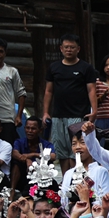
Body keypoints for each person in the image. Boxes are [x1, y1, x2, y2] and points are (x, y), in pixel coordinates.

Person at [43, 34, 98, 172]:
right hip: (58, 115)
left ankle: (76, 178)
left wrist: (94, 111)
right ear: (61, 48)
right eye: (66, 47)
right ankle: (65, 179)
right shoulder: (54, 67)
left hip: (77, 114)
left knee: (76, 148)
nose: (69, 50)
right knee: (61, 150)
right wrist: (45, 112)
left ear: (78, 49)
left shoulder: (85, 68)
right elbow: (48, 91)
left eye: (72, 47)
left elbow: (91, 90)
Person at [0, 38, 26, 143]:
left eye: (1, 51)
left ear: (5, 53)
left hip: (7, 117)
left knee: (8, 147)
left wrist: (19, 116)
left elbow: (21, 93)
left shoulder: (12, 71)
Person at [11, 117, 54, 192]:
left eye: (33, 129)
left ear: (40, 130)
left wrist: (32, 155)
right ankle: (12, 190)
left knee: (48, 162)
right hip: (23, 174)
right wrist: (26, 160)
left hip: (40, 174)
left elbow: (53, 156)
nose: (30, 131)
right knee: (16, 163)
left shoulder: (46, 144)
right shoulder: (19, 141)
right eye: (27, 128)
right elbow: (15, 153)